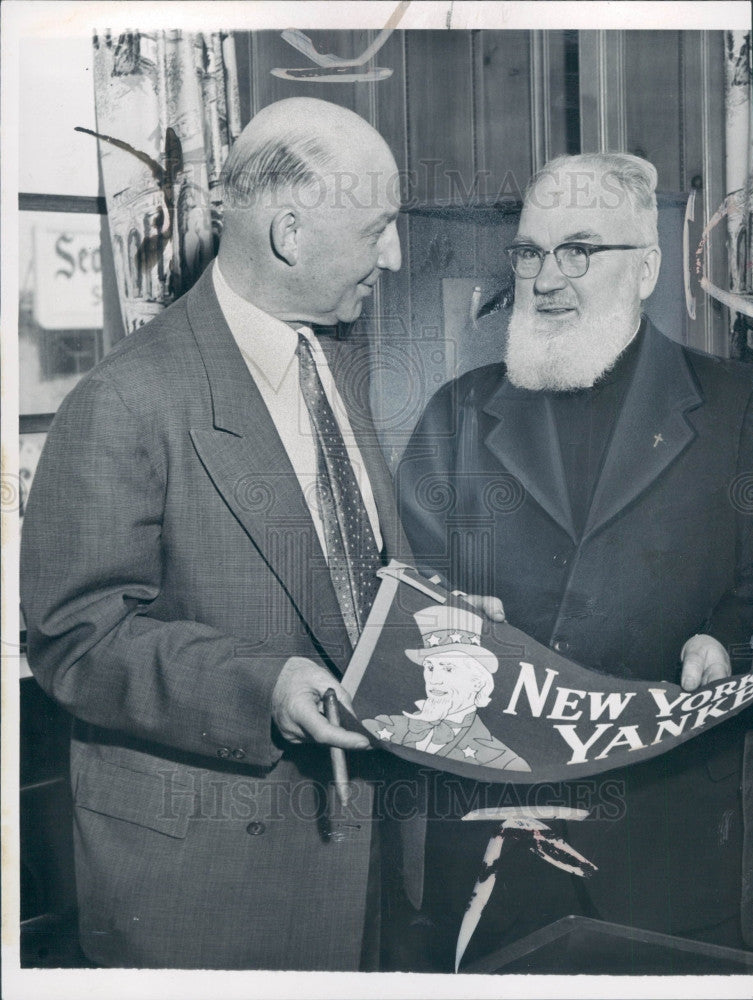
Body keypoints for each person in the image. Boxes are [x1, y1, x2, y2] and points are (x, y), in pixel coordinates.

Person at [22, 96, 475, 971]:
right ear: (290, 232)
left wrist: (435, 617)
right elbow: (75, 641)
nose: (395, 254)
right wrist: (263, 689)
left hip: (364, 849)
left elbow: (343, 567)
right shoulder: (124, 401)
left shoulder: (329, 358)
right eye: (378, 227)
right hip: (212, 886)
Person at [395, 153, 753, 967]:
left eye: (580, 250)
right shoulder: (457, 413)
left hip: (668, 853)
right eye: (528, 252)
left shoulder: (742, 408)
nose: (546, 278)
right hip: (489, 846)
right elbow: (402, 587)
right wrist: (444, 618)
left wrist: (725, 641)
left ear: (648, 269)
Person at [363, 605, 530, 770]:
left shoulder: (503, 761)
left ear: (478, 681)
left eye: (448, 669)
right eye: (430, 668)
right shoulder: (388, 726)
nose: (434, 680)